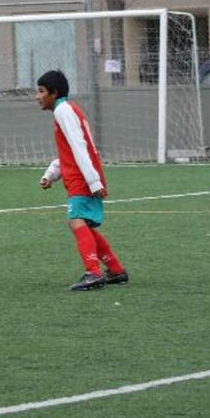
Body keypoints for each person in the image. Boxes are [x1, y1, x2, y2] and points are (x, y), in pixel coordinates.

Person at [35, 70, 128, 291]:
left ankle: (93, 273)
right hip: (83, 175)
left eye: (40, 91)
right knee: (83, 225)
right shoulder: (65, 110)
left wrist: (94, 181)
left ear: (54, 93)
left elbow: (79, 148)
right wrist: (51, 173)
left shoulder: (63, 111)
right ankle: (115, 269)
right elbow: (69, 151)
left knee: (76, 220)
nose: (37, 96)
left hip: (83, 178)